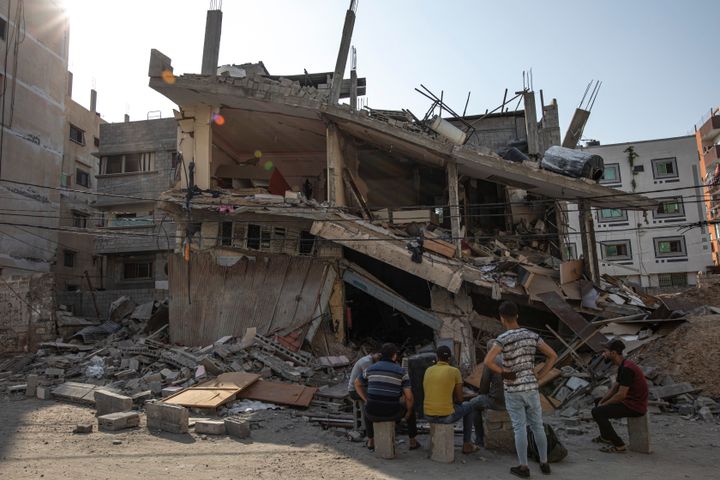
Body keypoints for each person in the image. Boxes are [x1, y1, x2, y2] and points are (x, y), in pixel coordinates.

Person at [485, 301, 557, 478]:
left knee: (519, 428)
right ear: (517, 315)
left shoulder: (502, 339)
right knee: (537, 425)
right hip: (531, 387)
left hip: (513, 389)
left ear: (502, 319)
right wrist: (540, 375)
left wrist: (503, 372)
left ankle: (523, 467)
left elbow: (488, 361)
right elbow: (552, 355)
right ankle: (544, 462)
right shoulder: (532, 335)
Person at [354, 343, 419, 451]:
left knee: (369, 406)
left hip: (372, 414)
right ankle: (412, 442)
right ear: (394, 356)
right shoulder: (401, 372)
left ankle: (371, 441)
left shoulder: (370, 369)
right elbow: (409, 397)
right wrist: (408, 412)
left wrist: (365, 399)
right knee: (411, 408)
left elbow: (357, 383)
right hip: (392, 413)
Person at [591, 339, 648, 453]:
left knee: (597, 412)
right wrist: (602, 401)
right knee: (598, 403)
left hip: (635, 406)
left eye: (605, 351)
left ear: (613, 353)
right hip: (629, 401)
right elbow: (614, 388)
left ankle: (619, 445)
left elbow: (621, 395)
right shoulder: (623, 365)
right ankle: (606, 437)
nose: (603, 354)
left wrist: (603, 406)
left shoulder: (627, 369)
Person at [423, 345, 483, 454]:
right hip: (446, 417)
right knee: (469, 406)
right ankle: (466, 444)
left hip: (427, 415)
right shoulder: (454, 371)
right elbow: (460, 399)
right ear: (449, 359)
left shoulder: (428, 370)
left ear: (437, 358)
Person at [473, 341, 506, 447]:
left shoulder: (491, 361)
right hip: (514, 400)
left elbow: (484, 386)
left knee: (473, 405)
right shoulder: (510, 359)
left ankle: (479, 439)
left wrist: (481, 395)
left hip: (498, 402)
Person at [347, 352, 381, 436]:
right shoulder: (367, 363)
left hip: (360, 387)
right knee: (375, 399)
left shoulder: (369, 359)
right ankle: (369, 428)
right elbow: (371, 379)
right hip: (354, 391)